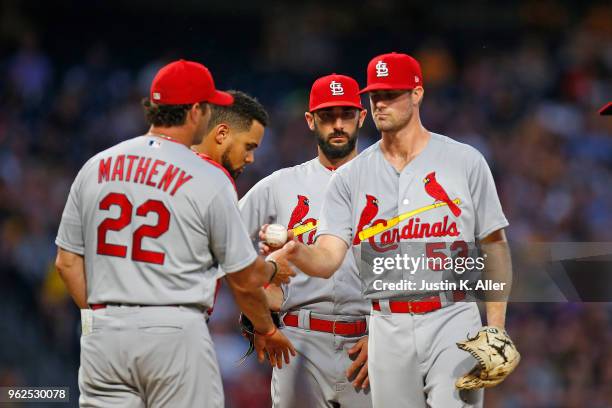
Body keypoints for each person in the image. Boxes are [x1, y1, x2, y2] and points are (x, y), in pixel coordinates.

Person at [269, 53, 517, 407]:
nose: (381, 103)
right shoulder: (350, 177)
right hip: (386, 324)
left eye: (391, 94)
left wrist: (495, 327)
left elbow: (495, 244)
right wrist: (297, 251)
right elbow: (328, 257)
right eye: (375, 96)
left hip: (452, 315)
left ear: (417, 94)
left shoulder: (465, 161)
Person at [54, 59, 296, 408]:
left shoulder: (97, 165)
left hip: (103, 332)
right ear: (195, 111)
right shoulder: (207, 176)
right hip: (173, 328)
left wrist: (99, 317)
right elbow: (243, 279)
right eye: (209, 107)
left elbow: (65, 263)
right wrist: (268, 319)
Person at [239, 74, 372, 408]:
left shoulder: (390, 186)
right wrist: (256, 307)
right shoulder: (278, 186)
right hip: (299, 339)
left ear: (362, 117)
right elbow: (226, 245)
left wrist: (390, 335)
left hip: (369, 344)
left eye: (346, 115)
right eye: (328, 117)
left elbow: (413, 267)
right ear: (311, 120)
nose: (338, 125)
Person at [191, 89, 268, 181]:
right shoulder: (217, 184)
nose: (250, 159)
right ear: (222, 134)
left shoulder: (171, 158)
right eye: (248, 147)